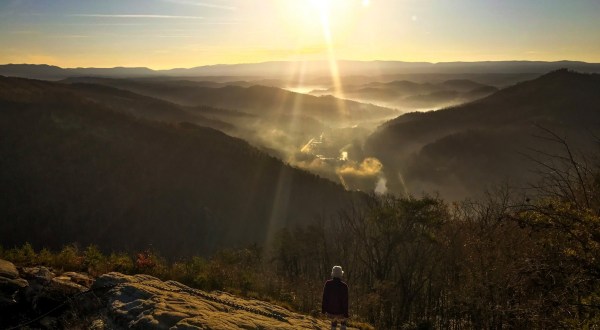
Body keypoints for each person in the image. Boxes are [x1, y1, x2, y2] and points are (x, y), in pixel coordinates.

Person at [322, 265, 349, 330]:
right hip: (341, 312)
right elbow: (345, 301)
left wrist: (323, 310)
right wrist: (346, 314)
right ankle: (343, 327)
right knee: (343, 322)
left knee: (333, 321)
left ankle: (333, 327)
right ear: (341, 274)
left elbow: (325, 298)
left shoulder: (328, 284)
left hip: (330, 311)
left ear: (333, 273)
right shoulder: (344, 286)